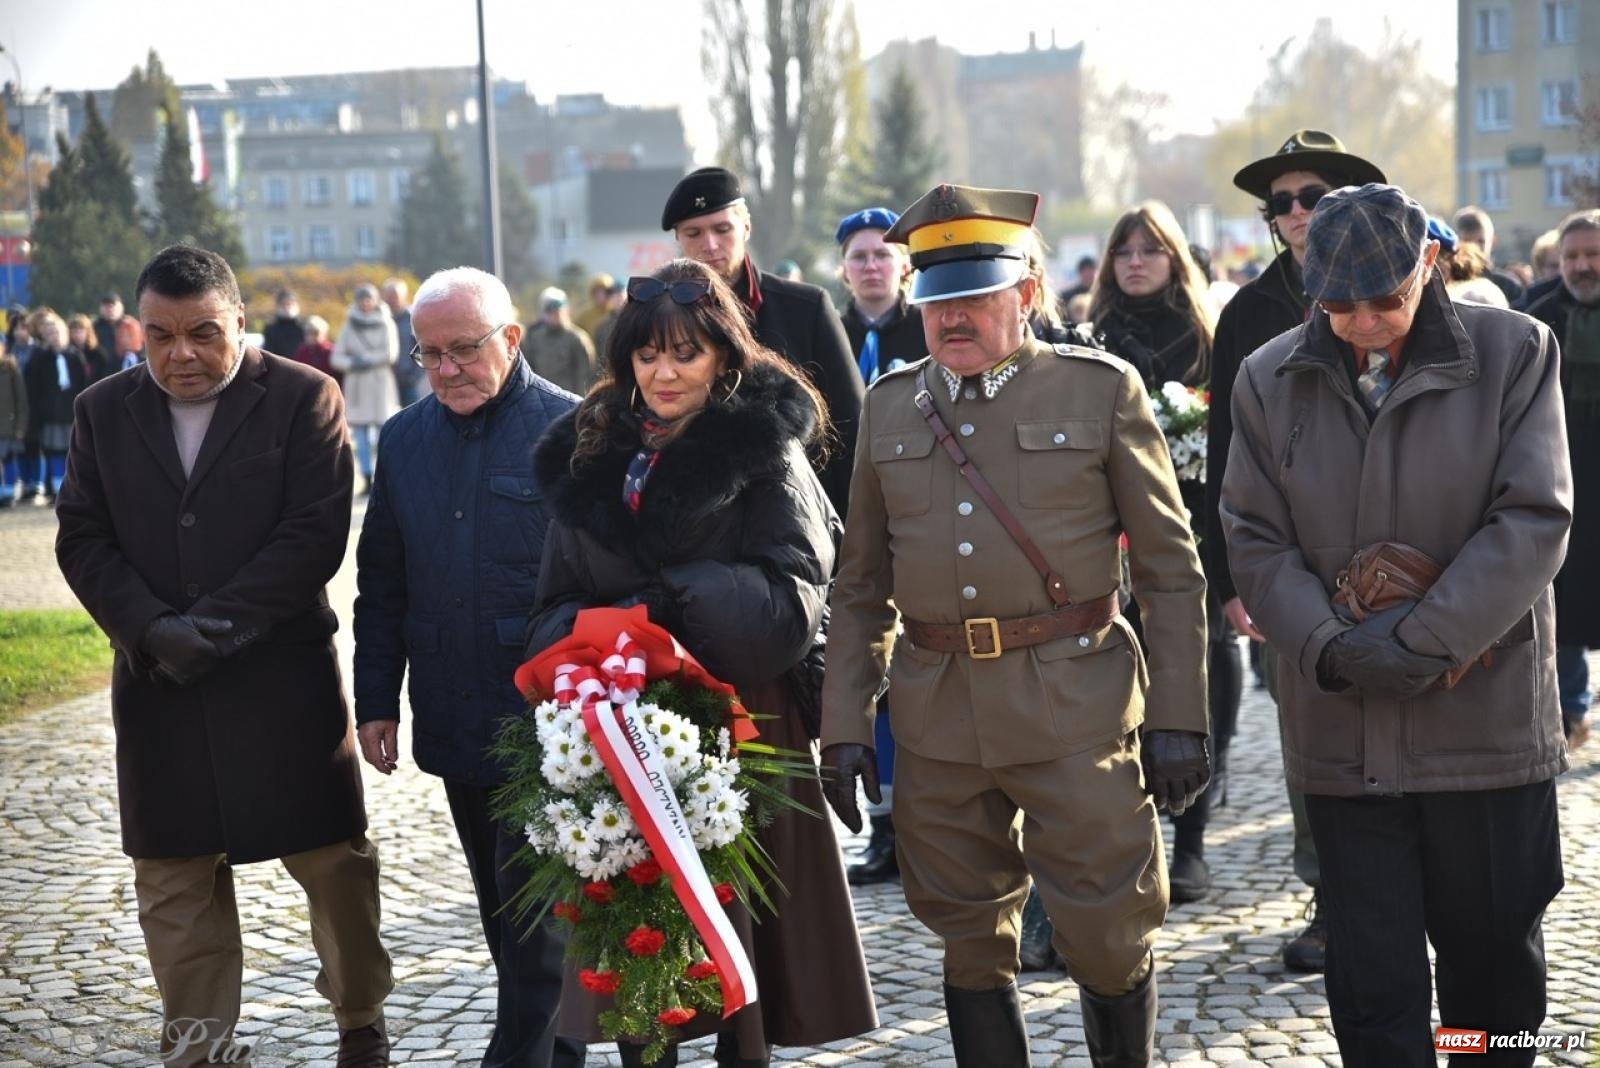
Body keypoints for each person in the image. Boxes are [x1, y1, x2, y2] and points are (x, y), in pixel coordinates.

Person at [821, 183, 1209, 1066]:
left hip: (1075, 705)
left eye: (973, 297)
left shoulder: (1099, 392)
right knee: (966, 934)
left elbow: (1170, 574)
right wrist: (844, 724)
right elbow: (860, 588)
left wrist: (1179, 716)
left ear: (1025, 292)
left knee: (1109, 931)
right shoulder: (889, 407)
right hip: (939, 714)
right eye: (935, 301)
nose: (951, 318)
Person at [1220, 183, 1570, 1067]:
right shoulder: (1265, 376)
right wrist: (1334, 647)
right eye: (1339, 306)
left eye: (1387, 300)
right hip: (1343, 731)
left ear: (1428, 265)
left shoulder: (1517, 350)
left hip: (1482, 728)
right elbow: (1253, 538)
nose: (1367, 323)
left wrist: (1419, 642)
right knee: (1374, 985)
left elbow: (1533, 520)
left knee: (1490, 984)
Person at [525, 257, 877, 1068]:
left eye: (685, 352)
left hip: (745, 722)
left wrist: (673, 603)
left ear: (723, 353)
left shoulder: (765, 451)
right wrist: (621, 631)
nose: (664, 371)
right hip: (619, 726)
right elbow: (547, 614)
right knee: (639, 937)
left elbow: (794, 602)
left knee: (738, 940)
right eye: (647, 354)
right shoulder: (590, 452)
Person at [54, 244, 392, 1067]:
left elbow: (312, 537)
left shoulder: (306, 396)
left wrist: (210, 629)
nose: (182, 355)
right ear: (138, 331)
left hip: (281, 684)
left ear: (239, 321)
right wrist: (149, 630)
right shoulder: (102, 409)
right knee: (173, 882)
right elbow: (83, 539)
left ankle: (360, 1019)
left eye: (204, 333)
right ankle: (199, 1045)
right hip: (158, 685)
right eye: (161, 335)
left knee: (332, 866)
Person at [351, 266, 584, 1068]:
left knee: (537, 930)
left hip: (550, 732)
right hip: (454, 718)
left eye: (463, 350)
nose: (446, 369)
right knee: (503, 917)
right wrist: (376, 699)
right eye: (429, 355)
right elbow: (380, 580)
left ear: (511, 339)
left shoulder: (572, 430)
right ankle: (562, 1053)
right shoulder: (406, 437)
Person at [1202, 128, 1385, 973]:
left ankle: (1414, 894)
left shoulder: (1401, 288)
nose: (1298, 212)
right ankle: (1331, 898)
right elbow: (1226, 462)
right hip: (1295, 569)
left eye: (1313, 196)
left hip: (1404, 556)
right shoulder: (1248, 314)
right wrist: (1236, 581)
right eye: (1282, 203)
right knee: (1313, 739)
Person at [1086, 201, 1232, 906]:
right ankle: (1130, 830)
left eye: (1150, 249)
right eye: (1124, 250)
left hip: (1198, 532)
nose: (1136, 261)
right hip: (1110, 543)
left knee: (1203, 675)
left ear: (1175, 258)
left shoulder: (1207, 340)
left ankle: (1195, 838)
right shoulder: (1089, 341)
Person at [661, 166, 863, 518]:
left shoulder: (807, 308)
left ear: (746, 227)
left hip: (802, 517)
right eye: (694, 233)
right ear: (678, 239)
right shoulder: (658, 319)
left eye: (722, 229)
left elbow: (853, 425)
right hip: (699, 526)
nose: (709, 245)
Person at [834, 206, 923, 886]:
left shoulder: (926, 330)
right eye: (859, 255)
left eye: (881, 255)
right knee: (869, 680)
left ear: (903, 266)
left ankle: (926, 822)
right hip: (846, 523)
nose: (870, 266)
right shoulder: (827, 334)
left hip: (915, 517)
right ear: (844, 268)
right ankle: (883, 827)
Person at [1526, 208, 1600, 750]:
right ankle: (1569, 712)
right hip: (1564, 485)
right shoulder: (1536, 317)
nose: (1582, 266)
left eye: (1593, 255)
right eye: (1573, 256)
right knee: (1564, 599)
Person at [331, 283, 401, 494]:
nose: (365, 303)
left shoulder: (386, 323)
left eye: (369, 298)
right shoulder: (348, 326)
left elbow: (391, 353)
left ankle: (386, 475)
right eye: (362, 299)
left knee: (384, 432)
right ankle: (367, 476)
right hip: (358, 385)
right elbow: (336, 357)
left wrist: (368, 359)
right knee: (359, 435)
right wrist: (354, 363)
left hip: (380, 384)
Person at [21, 310, 87, 503]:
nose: (54, 336)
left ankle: (75, 490)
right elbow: (34, 388)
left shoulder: (75, 357)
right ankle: (58, 490)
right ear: (44, 336)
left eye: (56, 331)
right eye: (49, 333)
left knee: (73, 452)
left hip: (71, 413)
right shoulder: (40, 359)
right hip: (50, 414)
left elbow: (84, 385)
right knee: (53, 451)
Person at [522, 286, 598, 396]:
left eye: (559, 311)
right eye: (551, 312)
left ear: (566, 310)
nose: (556, 315)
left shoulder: (577, 338)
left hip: (569, 399)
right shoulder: (534, 338)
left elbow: (585, 374)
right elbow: (527, 369)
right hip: (542, 398)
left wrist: (581, 402)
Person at [1452, 205, 1525, 306]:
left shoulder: (1509, 287)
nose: (1475, 249)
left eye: (1481, 242)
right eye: (1467, 242)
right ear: (1456, 243)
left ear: (1493, 241)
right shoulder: (1447, 283)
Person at [383, 277, 425, 407]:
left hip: (407, 379)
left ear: (404, 296)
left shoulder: (413, 319)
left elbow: (422, 347)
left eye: (395, 295)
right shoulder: (380, 319)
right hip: (385, 379)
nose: (392, 299)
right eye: (389, 296)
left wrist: (414, 374)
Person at [0, 334, 25, 506]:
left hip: (7, 425)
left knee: (8, 458)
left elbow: (21, 400)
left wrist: (20, 425)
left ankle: (8, 493)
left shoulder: (10, 369)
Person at [293, 314, 341, 387]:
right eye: (308, 333)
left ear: (324, 334)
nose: (311, 336)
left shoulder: (330, 351)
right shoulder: (302, 351)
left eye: (315, 333)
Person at [92, 292, 136, 372]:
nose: (110, 310)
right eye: (106, 307)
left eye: (113, 306)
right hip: (102, 372)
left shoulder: (130, 326)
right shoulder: (94, 327)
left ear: (121, 307)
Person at [261, 287, 306, 358]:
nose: (287, 307)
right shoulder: (271, 328)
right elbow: (268, 353)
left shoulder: (305, 326)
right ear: (278, 305)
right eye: (284, 304)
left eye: (290, 303)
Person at [67, 312, 111, 382]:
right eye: (74, 331)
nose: (78, 335)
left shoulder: (98, 353)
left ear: (88, 332)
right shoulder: (67, 353)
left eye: (81, 331)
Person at [573, 272, 614, 337]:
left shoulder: (617, 314)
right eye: (597, 292)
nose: (600, 295)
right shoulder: (584, 316)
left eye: (605, 292)